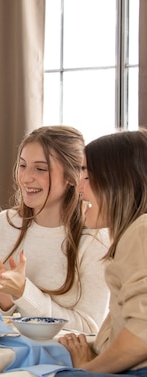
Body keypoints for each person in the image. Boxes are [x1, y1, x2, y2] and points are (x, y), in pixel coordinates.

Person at [0, 126, 110, 333]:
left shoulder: (95, 239)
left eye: (40, 169)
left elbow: (90, 327)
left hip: (59, 359)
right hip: (1, 353)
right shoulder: (2, 225)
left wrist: (24, 292)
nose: (25, 178)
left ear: (72, 177)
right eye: (23, 166)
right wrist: (3, 303)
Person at [56, 129, 147, 376]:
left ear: (117, 180)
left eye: (87, 174)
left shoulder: (141, 231)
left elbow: (142, 336)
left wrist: (87, 368)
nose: (79, 186)